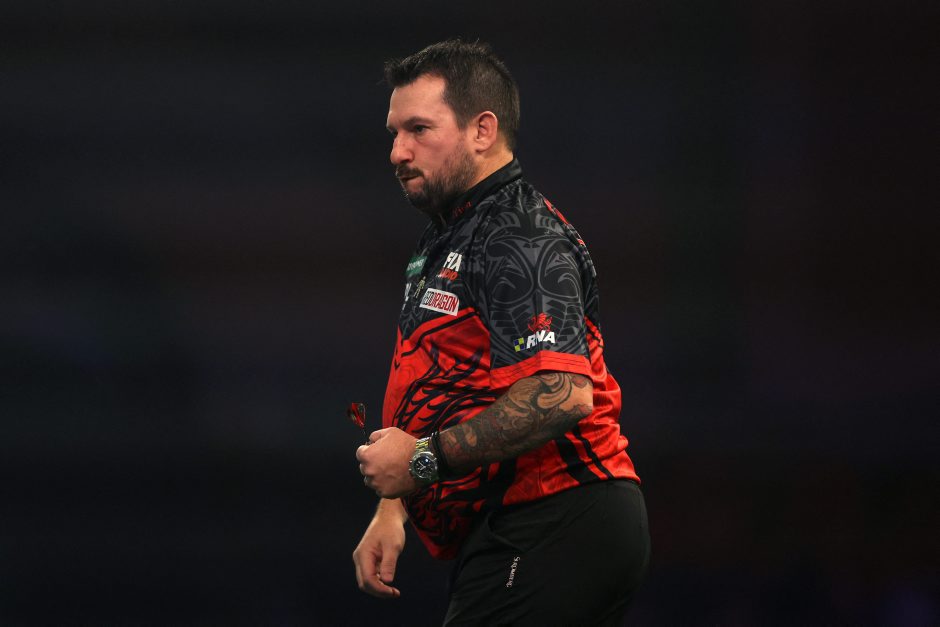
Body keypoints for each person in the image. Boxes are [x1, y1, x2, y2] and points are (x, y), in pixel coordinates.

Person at [354, 39, 650, 626]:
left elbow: (561, 395)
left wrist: (420, 462)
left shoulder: (519, 235)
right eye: (394, 133)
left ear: (482, 130)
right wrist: (395, 507)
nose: (397, 152)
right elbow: (446, 381)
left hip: (558, 510)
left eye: (418, 129)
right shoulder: (449, 235)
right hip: (523, 523)